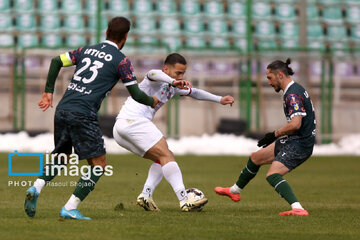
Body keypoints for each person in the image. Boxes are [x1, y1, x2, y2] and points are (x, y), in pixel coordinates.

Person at [24, 17, 160, 220]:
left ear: (106, 31)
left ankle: (36, 187)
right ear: (125, 36)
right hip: (83, 113)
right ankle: (70, 207)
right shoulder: (121, 61)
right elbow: (137, 95)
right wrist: (153, 100)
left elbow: (56, 61)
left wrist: (48, 92)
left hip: (63, 109)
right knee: (99, 165)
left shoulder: (85, 50)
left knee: (62, 157)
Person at [113, 53, 235, 212]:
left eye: (183, 73)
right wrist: (173, 81)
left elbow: (195, 92)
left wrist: (220, 99)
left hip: (121, 128)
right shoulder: (155, 77)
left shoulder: (173, 87)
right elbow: (152, 73)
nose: (181, 76)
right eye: (178, 73)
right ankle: (184, 200)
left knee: (162, 159)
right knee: (167, 155)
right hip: (133, 121)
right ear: (166, 69)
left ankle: (145, 194)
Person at [215, 58, 316, 216]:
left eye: (269, 78)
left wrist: (274, 134)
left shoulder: (292, 95)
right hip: (294, 139)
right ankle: (234, 190)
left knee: (272, 175)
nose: (268, 82)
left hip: (300, 143)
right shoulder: (294, 89)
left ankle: (298, 208)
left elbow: (296, 124)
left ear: (280, 75)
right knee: (256, 157)